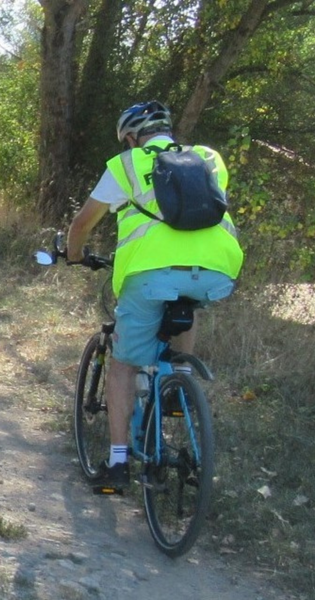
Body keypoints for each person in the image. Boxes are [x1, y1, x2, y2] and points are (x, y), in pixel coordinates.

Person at [66, 100, 243, 489]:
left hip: (149, 275)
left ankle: (116, 463)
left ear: (130, 137)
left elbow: (82, 223)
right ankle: (180, 379)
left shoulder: (126, 165)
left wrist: (75, 255)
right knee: (186, 301)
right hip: (217, 271)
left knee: (125, 364)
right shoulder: (208, 158)